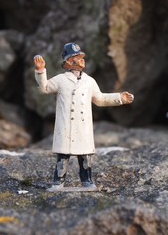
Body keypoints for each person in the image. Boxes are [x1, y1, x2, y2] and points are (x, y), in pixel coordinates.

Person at [34, 42, 134, 188]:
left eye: (82, 57)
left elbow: (99, 99)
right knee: (63, 155)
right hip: (66, 125)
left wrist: (119, 98)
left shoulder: (89, 81)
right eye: (77, 57)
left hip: (83, 126)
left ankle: (86, 180)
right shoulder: (61, 79)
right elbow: (44, 88)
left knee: (85, 156)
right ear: (69, 61)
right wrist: (40, 71)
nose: (82, 60)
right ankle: (58, 181)